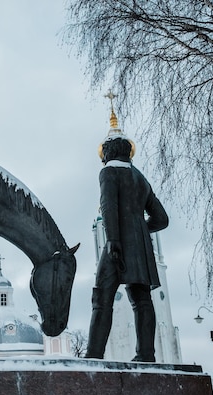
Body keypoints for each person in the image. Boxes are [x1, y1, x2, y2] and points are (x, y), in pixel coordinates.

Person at [85, 136, 169, 362]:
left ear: (108, 154)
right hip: (141, 248)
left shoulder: (108, 172)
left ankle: (94, 354)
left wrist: (114, 238)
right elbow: (161, 219)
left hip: (117, 244)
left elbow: (108, 205)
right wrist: (139, 230)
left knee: (102, 298)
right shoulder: (140, 178)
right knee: (142, 300)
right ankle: (146, 355)